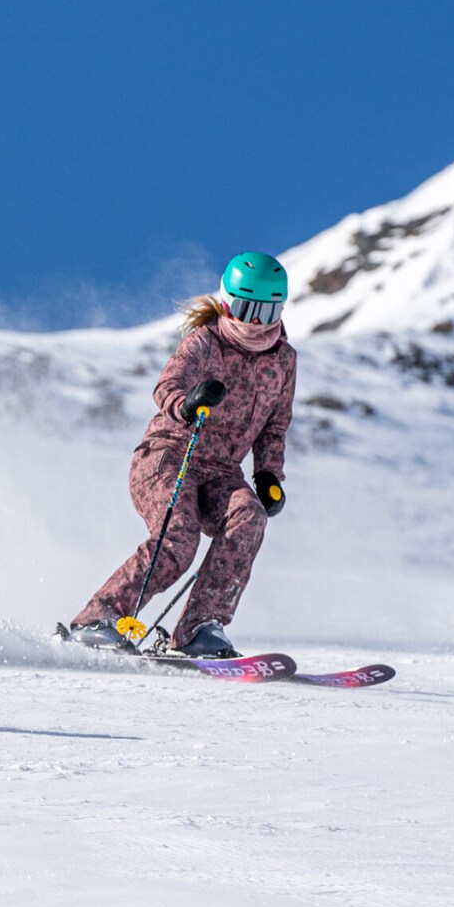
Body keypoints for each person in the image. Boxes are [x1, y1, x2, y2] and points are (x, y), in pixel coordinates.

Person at [67, 251, 295, 658]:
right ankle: (99, 619)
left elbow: (275, 427)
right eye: (246, 308)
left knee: (248, 516)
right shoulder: (206, 341)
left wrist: (268, 476)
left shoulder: (284, 360)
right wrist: (187, 404)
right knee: (179, 539)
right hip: (170, 456)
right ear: (227, 303)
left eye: (267, 310)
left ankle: (200, 627)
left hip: (222, 472)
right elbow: (166, 385)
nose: (256, 321)